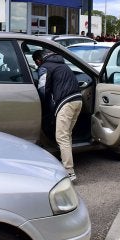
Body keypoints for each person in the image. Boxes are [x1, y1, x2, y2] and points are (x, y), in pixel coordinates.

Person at [32, 49, 83, 182]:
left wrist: (41, 104)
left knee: (61, 137)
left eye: (36, 63)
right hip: (78, 100)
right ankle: (65, 163)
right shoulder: (62, 64)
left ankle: (69, 172)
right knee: (67, 135)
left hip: (65, 103)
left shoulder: (45, 67)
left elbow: (42, 89)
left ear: (38, 60)